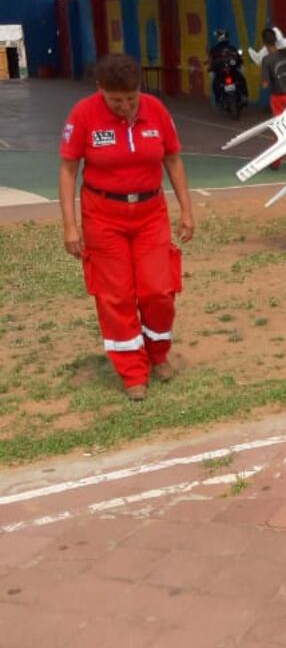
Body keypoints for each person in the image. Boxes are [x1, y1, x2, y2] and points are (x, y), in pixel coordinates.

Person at [58, 53, 195, 402]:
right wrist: (70, 227)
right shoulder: (83, 114)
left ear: (139, 90)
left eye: (130, 99)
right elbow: (68, 170)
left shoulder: (156, 111)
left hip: (150, 214)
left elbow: (173, 159)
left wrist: (186, 209)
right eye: (115, 100)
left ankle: (158, 354)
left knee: (158, 290)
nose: (124, 106)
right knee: (115, 295)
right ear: (101, 91)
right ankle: (132, 371)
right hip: (103, 217)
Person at [261, 24, 286, 171]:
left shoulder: (266, 60)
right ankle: (275, 161)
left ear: (264, 43)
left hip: (277, 98)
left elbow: (265, 85)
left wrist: (266, 79)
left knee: (283, 130)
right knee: (285, 129)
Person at [208, 29, 247, 104]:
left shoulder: (226, 48)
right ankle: (218, 99)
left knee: (241, 80)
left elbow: (238, 58)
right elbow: (211, 61)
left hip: (230, 71)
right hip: (223, 72)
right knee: (216, 83)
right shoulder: (227, 48)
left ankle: (243, 96)